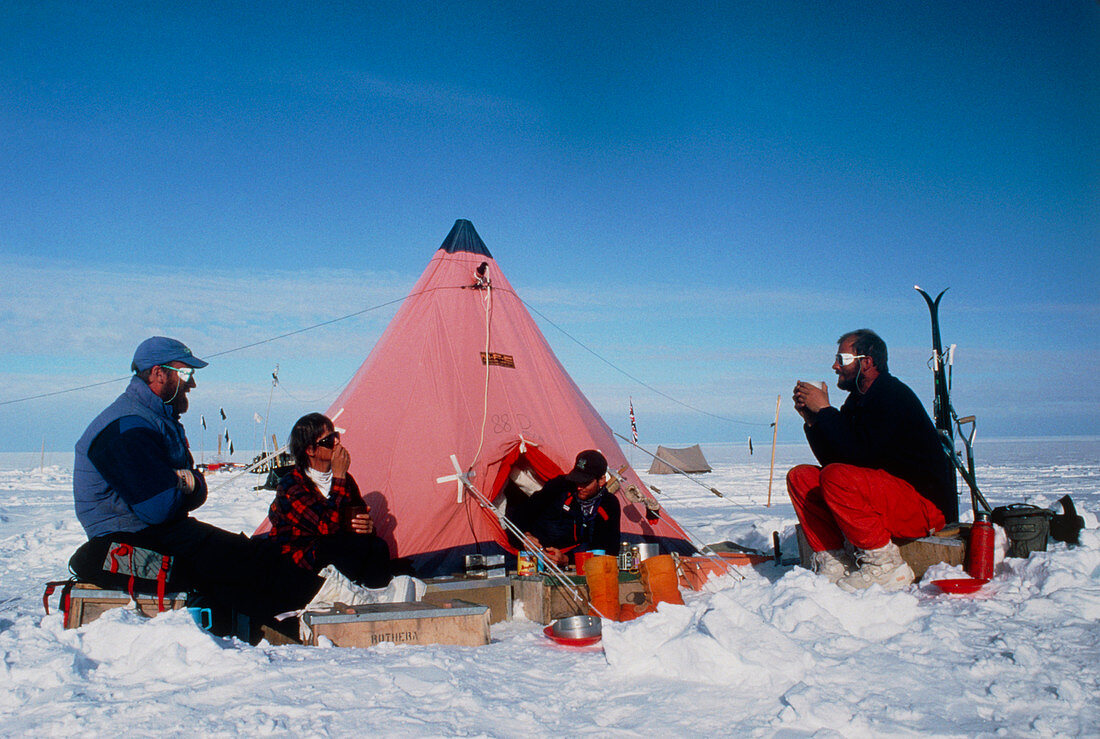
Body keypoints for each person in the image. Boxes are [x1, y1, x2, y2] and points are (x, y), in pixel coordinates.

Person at [71, 337, 321, 633]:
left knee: (248, 554)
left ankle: (293, 612)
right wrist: (181, 485)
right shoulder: (126, 427)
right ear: (157, 374)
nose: (192, 384)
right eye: (186, 373)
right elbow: (159, 507)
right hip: (127, 539)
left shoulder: (156, 419)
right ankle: (293, 619)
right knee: (236, 565)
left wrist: (183, 484)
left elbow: (195, 487)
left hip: (160, 531)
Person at [788, 329, 956, 592]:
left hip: (922, 505)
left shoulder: (891, 396)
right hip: (884, 496)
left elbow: (860, 457)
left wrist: (825, 411)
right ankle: (834, 560)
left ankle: (885, 566)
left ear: (867, 362)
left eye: (841, 360)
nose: (834, 366)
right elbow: (838, 458)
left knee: (836, 477)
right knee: (801, 478)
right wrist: (813, 420)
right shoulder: (858, 401)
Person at [263, 413, 392, 588]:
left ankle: (376, 603)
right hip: (300, 559)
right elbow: (325, 530)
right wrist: (338, 478)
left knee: (377, 547)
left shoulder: (346, 480)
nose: (337, 443)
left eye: (336, 436)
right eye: (328, 440)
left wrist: (367, 528)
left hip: (336, 547)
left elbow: (354, 521)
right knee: (332, 549)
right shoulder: (291, 486)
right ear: (310, 450)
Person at [514, 450, 621, 566]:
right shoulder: (559, 487)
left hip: (577, 561)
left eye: (585, 483)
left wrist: (568, 560)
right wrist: (527, 535)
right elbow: (521, 513)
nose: (579, 487)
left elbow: (609, 548)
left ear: (601, 480)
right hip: (537, 557)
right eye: (577, 481)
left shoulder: (609, 504)